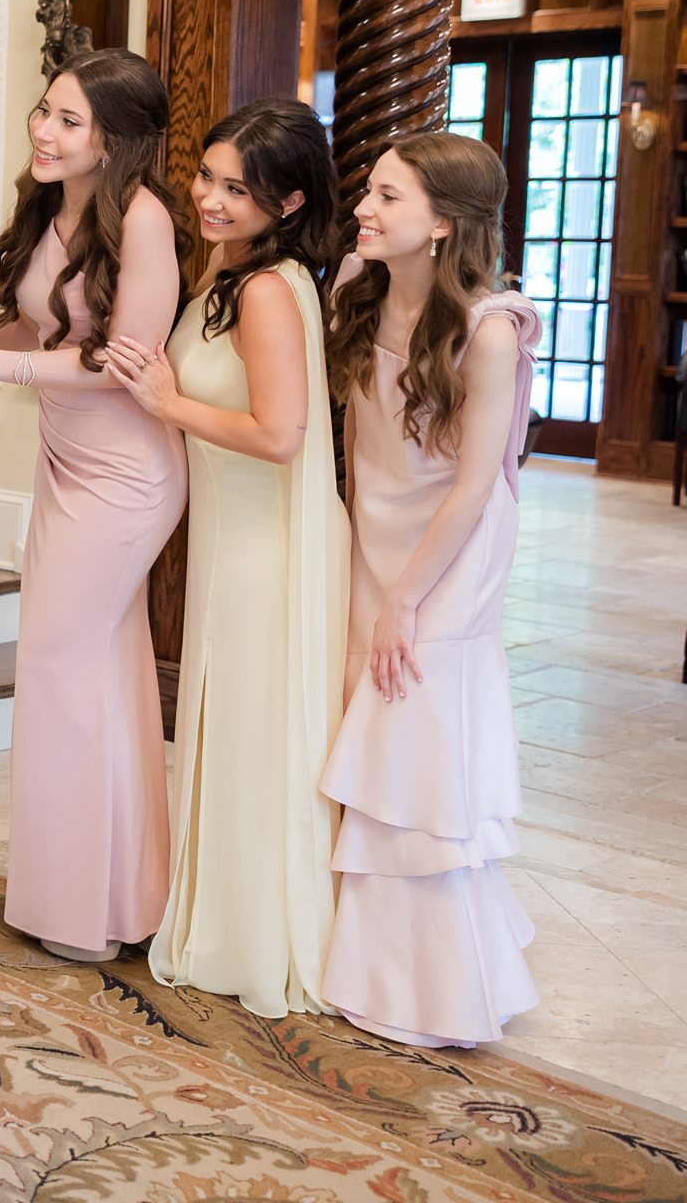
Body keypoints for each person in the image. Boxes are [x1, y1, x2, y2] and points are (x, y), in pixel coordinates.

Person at [0, 48, 187, 963]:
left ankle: (81, 906)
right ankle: (106, 895)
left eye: (69, 121)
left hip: (129, 472)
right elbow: (30, 318)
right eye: (44, 112)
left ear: (116, 139)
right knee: (98, 670)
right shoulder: (55, 205)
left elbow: (120, 360)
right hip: (66, 460)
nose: (44, 132)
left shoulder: (144, 220)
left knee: (60, 664)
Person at [105, 99, 347, 1017]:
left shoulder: (270, 292)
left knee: (256, 734)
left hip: (267, 549)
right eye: (206, 176)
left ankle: (257, 932)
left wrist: (169, 407)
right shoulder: (228, 269)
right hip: (227, 538)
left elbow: (280, 436)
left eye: (234, 189)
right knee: (228, 728)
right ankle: (217, 914)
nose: (208, 198)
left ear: (285, 203)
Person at [317, 132, 541, 1047]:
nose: (364, 210)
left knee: (414, 735)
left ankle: (439, 984)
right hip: (375, 533)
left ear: (443, 224)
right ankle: (367, 959)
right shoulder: (352, 291)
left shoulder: (491, 327)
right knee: (371, 747)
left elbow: (475, 483)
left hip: (449, 552)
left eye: (388, 197)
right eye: (368, 191)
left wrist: (408, 597)